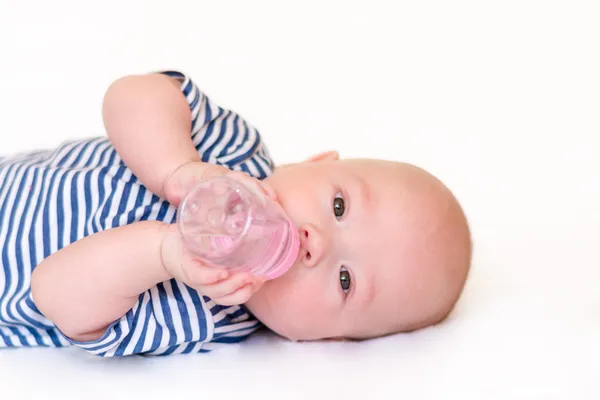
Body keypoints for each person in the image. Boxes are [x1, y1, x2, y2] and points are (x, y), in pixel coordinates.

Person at [0, 70, 472, 356]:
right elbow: (130, 93)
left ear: (323, 339)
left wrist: (166, 253)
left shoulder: (203, 318)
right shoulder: (232, 148)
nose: (317, 242)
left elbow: (52, 292)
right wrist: (178, 168)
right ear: (315, 163)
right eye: (338, 205)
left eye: (346, 280)